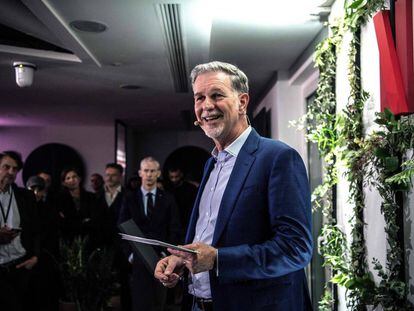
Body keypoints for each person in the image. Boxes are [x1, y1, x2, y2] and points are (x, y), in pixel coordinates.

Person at [154, 61, 313, 311]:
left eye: (217, 95)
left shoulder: (278, 158)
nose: (206, 106)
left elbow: (295, 248)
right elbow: (208, 238)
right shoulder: (211, 164)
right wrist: (182, 260)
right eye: (199, 98)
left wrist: (218, 260)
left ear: (242, 102)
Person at [119, 156, 181, 311]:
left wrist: (167, 254)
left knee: (158, 303)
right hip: (136, 259)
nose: (149, 174)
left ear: (158, 173)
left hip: (161, 257)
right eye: (146, 171)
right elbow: (121, 227)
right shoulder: (129, 198)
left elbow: (175, 228)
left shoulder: (168, 199)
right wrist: (129, 255)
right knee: (139, 302)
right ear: (140, 173)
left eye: (152, 171)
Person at [0, 151, 40, 311]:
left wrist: (36, 257)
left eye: (15, 169)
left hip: (21, 266)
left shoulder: (26, 196)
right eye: (6, 167)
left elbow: (37, 229)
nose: (11, 172)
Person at [96, 163, 131, 311]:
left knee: (125, 280)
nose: (109, 178)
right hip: (102, 245)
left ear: (120, 176)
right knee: (101, 280)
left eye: (113, 175)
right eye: (107, 174)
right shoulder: (96, 196)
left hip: (121, 245)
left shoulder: (128, 195)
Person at [26, 175, 60, 311]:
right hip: (26, 258)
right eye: (32, 189)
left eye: (39, 189)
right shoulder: (21, 209)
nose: (36, 193)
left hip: (45, 259)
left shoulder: (49, 210)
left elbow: (51, 236)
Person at [167, 166, 198, 239]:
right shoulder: (168, 188)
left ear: (181, 175)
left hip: (186, 223)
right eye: (172, 177)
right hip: (172, 224)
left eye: (176, 177)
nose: (174, 179)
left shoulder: (190, 189)